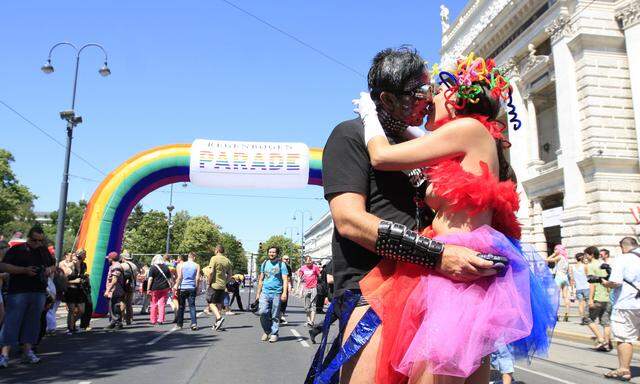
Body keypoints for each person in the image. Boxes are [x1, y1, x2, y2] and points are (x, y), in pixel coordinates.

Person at [306, 48, 521, 384]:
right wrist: (438, 255)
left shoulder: (429, 143)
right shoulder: (351, 134)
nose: (426, 98)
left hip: (434, 286)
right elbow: (349, 220)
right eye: (418, 92)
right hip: (372, 292)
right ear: (388, 100)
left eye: (430, 90)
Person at [350, 52, 558, 383]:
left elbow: (382, 155)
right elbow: (420, 144)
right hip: (452, 265)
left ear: (458, 98)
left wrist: (369, 116)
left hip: (457, 271)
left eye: (435, 91)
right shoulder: (467, 139)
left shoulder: (468, 128)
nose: (427, 97)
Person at [0, 226, 54, 368]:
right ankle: (4, 355)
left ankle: (28, 352)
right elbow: (4, 266)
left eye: (40, 241)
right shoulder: (17, 250)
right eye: (34, 240)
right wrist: (23, 270)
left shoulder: (43, 251)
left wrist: (49, 270)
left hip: (38, 291)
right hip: (18, 291)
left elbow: (53, 265)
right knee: (12, 322)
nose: (37, 243)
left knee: (33, 323)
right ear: (29, 238)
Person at [601, 237, 640, 380]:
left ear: (623, 247)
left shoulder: (622, 259)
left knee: (624, 337)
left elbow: (616, 282)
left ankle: (624, 369)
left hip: (627, 304)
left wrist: (605, 283)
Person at [256, 246, 288, 343]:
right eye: (270, 252)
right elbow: (261, 280)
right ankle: (267, 330)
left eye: (273, 252)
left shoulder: (281, 264)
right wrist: (258, 293)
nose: (271, 254)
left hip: (276, 293)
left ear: (277, 254)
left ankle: (274, 334)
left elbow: (285, 279)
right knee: (262, 312)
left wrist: (284, 293)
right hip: (265, 292)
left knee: (275, 315)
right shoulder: (265, 263)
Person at [584, 245, 612, 351]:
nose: (586, 257)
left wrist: (590, 299)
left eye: (587, 254)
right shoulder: (603, 265)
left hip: (597, 297)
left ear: (591, 254)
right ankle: (607, 344)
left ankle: (601, 339)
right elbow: (608, 281)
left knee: (587, 318)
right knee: (606, 322)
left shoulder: (591, 266)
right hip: (606, 297)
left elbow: (592, 284)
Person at [173, 252, 201, 331]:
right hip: (191, 287)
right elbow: (197, 278)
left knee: (181, 307)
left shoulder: (182, 265)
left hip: (183, 288)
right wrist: (197, 287)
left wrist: (176, 286)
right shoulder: (196, 265)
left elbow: (180, 277)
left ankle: (179, 324)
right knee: (192, 306)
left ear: (188, 257)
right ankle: (194, 323)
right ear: (194, 257)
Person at [60, 252, 86, 334]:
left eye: (77, 259)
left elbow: (82, 276)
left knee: (82, 310)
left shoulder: (82, 266)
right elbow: (64, 281)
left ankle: (72, 323)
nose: (75, 261)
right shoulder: (69, 267)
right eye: (73, 259)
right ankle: (70, 328)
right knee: (71, 310)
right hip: (70, 290)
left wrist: (85, 279)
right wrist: (74, 281)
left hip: (79, 290)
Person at [208, 245, 232, 331]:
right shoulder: (227, 260)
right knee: (218, 304)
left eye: (215, 249)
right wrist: (225, 282)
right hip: (222, 285)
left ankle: (218, 318)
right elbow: (230, 275)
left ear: (217, 250)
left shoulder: (214, 258)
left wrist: (208, 281)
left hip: (214, 284)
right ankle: (216, 324)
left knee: (210, 302)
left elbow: (211, 272)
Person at [547, 244, 570, 322]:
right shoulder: (566, 259)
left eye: (555, 249)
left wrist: (553, 254)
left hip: (559, 277)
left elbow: (547, 260)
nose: (554, 251)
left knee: (556, 296)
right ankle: (567, 313)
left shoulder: (559, 257)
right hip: (565, 277)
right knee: (566, 297)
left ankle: (556, 314)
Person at [147, 254, 172, 326]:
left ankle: (153, 320)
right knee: (162, 304)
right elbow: (170, 278)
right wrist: (171, 286)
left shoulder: (153, 267)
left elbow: (150, 279)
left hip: (155, 288)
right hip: (164, 288)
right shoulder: (166, 267)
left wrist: (148, 288)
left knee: (153, 304)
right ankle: (161, 319)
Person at [104, 251, 125, 330]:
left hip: (116, 290)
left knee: (116, 306)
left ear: (111, 259)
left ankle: (118, 323)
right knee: (111, 306)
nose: (108, 260)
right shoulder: (113, 266)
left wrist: (108, 290)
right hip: (113, 290)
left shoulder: (117, 266)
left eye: (108, 258)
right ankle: (113, 322)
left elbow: (114, 279)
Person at [299, 256, 321, 327]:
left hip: (314, 288)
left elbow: (319, 276)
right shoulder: (302, 268)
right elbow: (300, 278)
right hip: (306, 288)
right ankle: (308, 320)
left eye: (310, 261)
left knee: (313, 305)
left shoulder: (315, 267)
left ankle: (312, 321)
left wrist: (318, 278)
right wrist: (299, 289)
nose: (309, 263)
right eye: (307, 262)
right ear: (305, 262)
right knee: (306, 307)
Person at [570, 252, 590, 324]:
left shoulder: (572, 267)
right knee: (588, 303)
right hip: (586, 287)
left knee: (580, 304)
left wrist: (572, 290)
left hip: (578, 288)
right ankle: (587, 318)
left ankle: (582, 318)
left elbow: (572, 279)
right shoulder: (585, 266)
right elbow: (589, 276)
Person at [120, 251, 139, 325]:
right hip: (132, 285)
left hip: (124, 286)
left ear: (123, 258)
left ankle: (121, 318)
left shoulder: (123, 265)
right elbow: (136, 276)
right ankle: (129, 319)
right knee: (129, 303)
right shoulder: (134, 266)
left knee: (122, 302)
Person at [76, 249, 93, 331]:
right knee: (77, 308)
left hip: (84, 287)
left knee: (89, 305)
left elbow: (83, 275)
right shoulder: (75, 263)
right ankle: (72, 324)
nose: (85, 256)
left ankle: (85, 324)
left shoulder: (84, 264)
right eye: (84, 254)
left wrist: (86, 277)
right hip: (76, 287)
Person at [280, 255, 293, 324]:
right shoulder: (278, 265)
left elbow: (290, 277)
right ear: (282, 259)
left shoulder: (288, 267)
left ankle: (281, 316)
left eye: (288, 259)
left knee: (284, 301)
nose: (287, 260)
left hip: (285, 286)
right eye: (285, 259)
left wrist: (291, 285)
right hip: (278, 286)